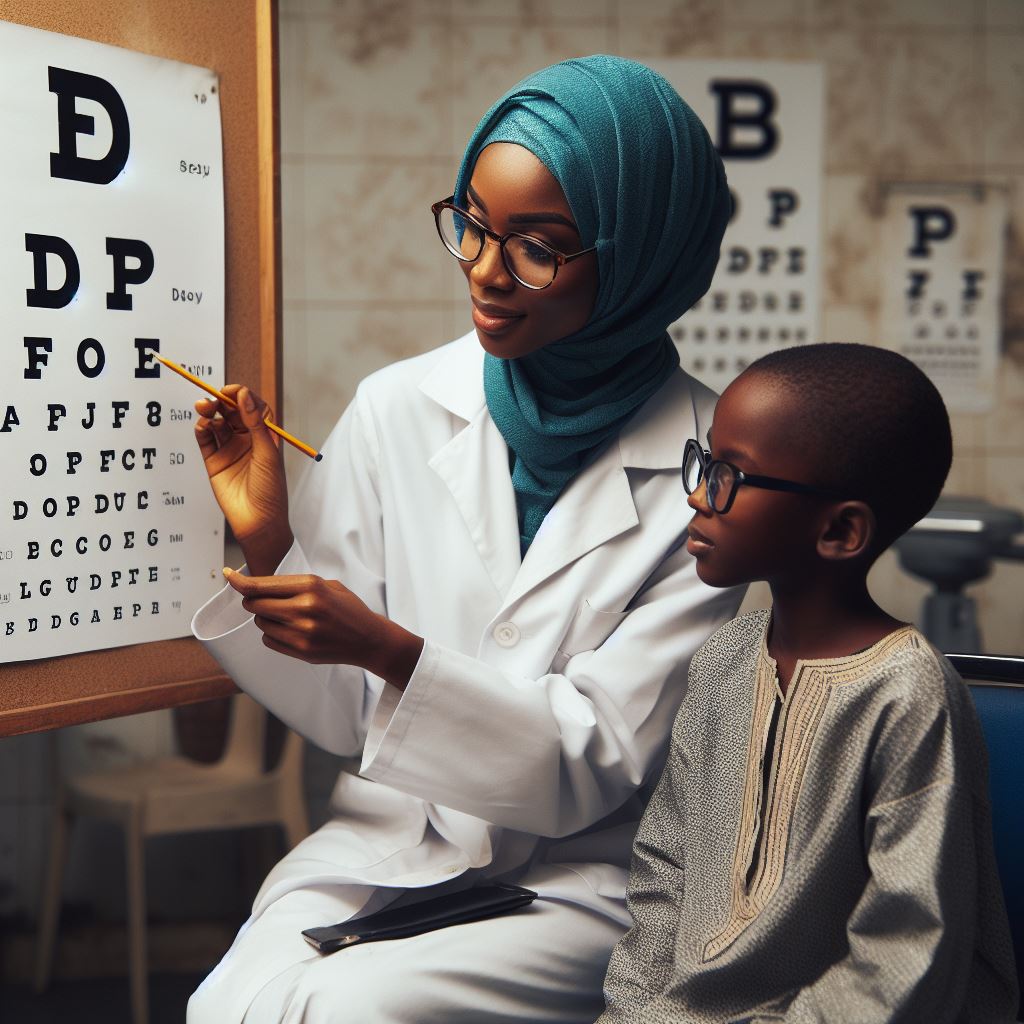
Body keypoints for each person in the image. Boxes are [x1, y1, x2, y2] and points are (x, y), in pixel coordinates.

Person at [186, 55, 744, 1023]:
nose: (485, 271)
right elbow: (340, 711)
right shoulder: (399, 407)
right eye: (472, 225)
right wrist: (270, 538)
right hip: (391, 839)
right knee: (228, 1004)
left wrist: (387, 646)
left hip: (584, 880)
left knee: (343, 1011)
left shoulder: (711, 472)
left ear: (640, 256)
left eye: (539, 247)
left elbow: (593, 759)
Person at [598, 342, 1019, 1024]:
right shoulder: (722, 661)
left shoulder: (905, 694)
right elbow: (663, 873)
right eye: (705, 462)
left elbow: (909, 951)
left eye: (731, 475)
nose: (697, 495)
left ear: (841, 530)